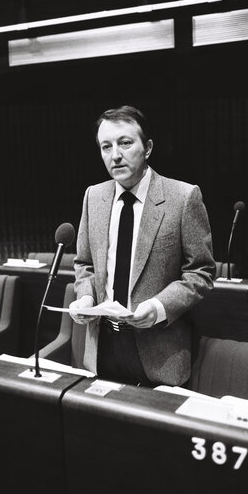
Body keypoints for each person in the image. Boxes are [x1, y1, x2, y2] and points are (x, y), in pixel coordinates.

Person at [69, 105, 216, 386]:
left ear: (147, 147)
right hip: (102, 347)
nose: (115, 155)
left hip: (158, 351)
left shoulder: (183, 197)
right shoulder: (94, 196)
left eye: (125, 143)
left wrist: (160, 306)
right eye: (106, 146)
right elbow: (84, 264)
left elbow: (201, 272)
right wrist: (86, 297)